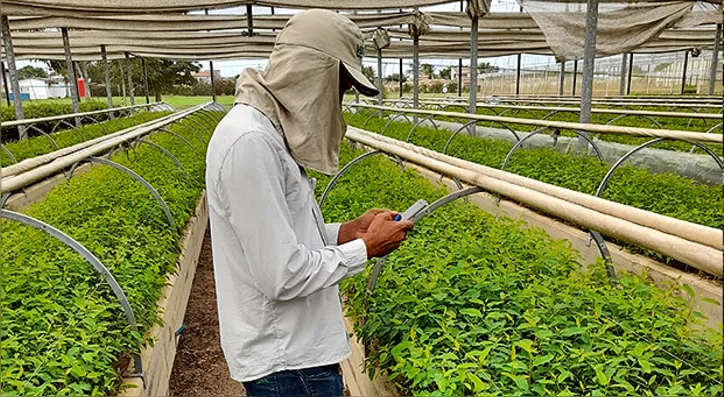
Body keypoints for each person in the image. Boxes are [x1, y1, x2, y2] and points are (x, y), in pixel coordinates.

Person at [205, 9, 414, 397]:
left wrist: (346, 231)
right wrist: (365, 248)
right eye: (342, 86)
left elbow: (283, 236)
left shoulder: (270, 133)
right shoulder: (251, 142)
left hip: (297, 360)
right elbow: (282, 275)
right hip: (289, 365)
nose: (340, 99)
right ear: (314, 74)